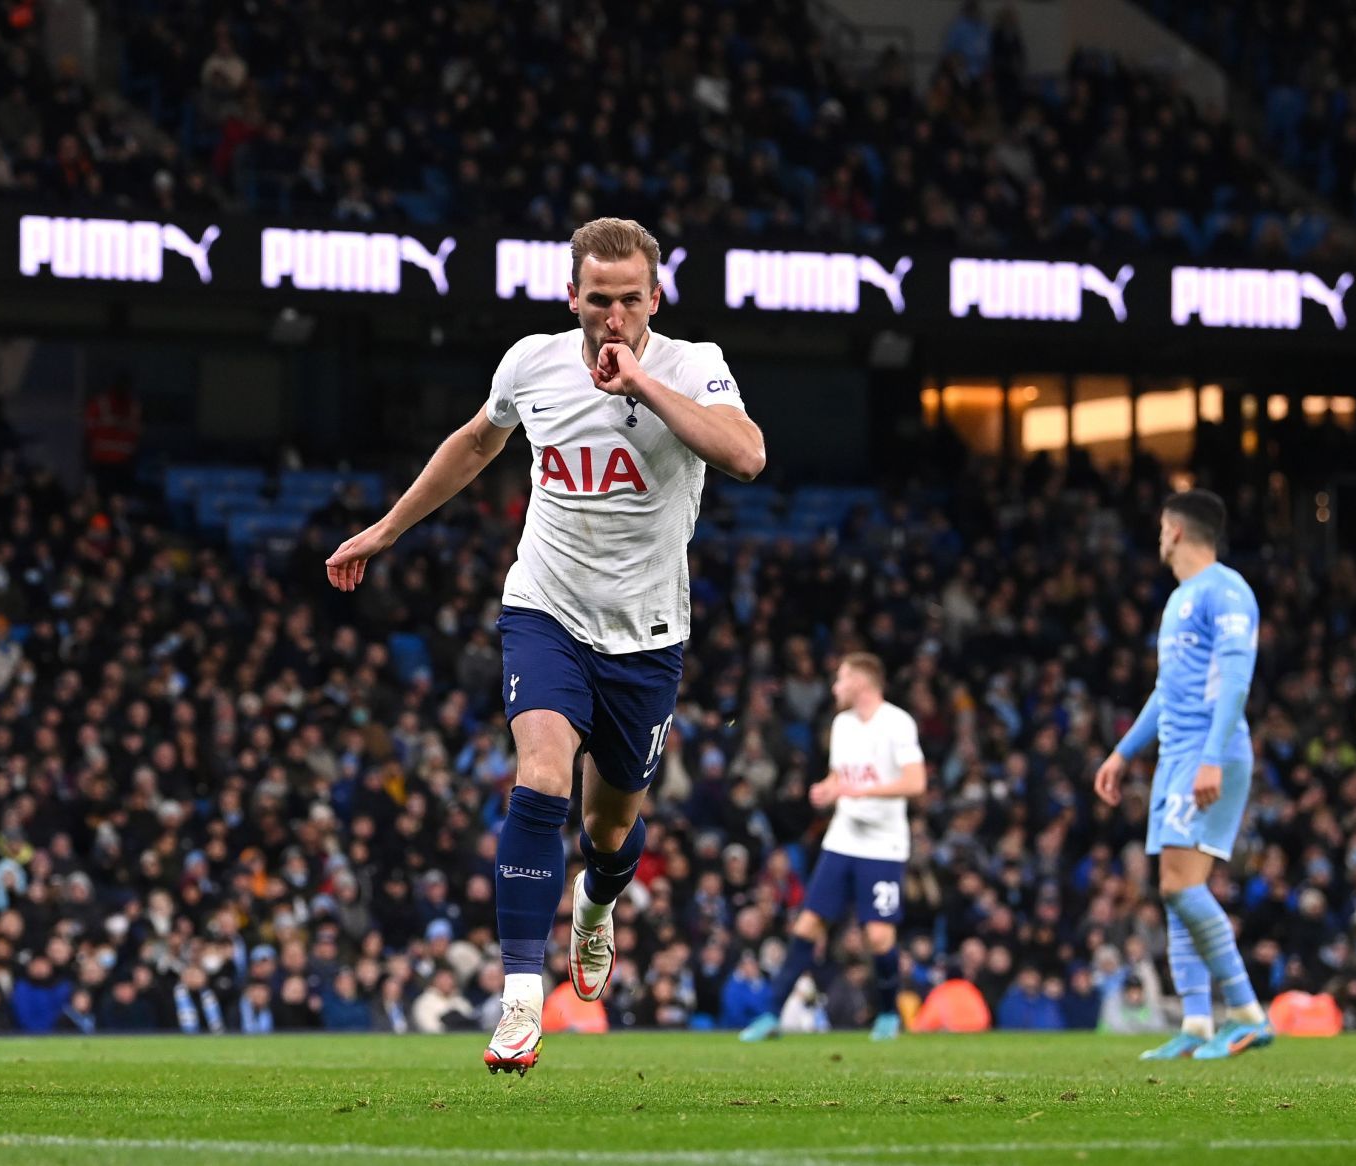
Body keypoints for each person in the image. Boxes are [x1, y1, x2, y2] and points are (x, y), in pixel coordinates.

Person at [327, 216, 765, 1075]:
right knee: (539, 775)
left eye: (629, 301)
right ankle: (522, 1000)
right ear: (572, 296)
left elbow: (746, 454)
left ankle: (595, 906)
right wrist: (385, 529)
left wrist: (639, 381)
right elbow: (477, 442)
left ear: (655, 297)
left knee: (609, 831)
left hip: (645, 637)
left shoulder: (692, 363)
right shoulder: (532, 362)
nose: (612, 317)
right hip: (546, 607)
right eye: (596, 301)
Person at [1094, 489, 1271, 1060]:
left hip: (1206, 753)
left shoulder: (1227, 591)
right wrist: (1123, 752)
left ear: (1174, 530)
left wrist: (1213, 756)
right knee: (1175, 890)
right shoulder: (1179, 600)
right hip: (1177, 754)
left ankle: (1245, 1014)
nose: (1157, 535)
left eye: (1160, 526)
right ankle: (1197, 1023)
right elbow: (1167, 691)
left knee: (1179, 885)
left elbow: (1237, 681)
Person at [739, 653, 926, 1042]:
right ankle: (772, 1014)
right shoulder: (841, 724)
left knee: (878, 936)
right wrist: (829, 788)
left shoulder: (897, 722)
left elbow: (915, 782)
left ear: (861, 682)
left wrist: (861, 790)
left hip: (883, 845)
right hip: (843, 838)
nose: (835, 687)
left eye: (841, 679)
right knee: (808, 924)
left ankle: (888, 1013)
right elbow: (840, 776)